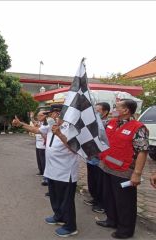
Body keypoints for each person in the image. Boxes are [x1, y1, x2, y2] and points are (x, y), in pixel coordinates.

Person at [13, 104, 80, 237]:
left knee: (66, 200)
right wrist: (21, 124)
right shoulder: (50, 126)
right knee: (55, 197)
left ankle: (70, 226)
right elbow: (36, 130)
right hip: (52, 170)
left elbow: (75, 149)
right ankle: (59, 216)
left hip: (65, 172)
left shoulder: (71, 128)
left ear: (62, 114)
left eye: (54, 113)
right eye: (50, 114)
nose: (51, 116)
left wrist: (59, 134)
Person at [96, 99, 149, 239]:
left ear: (126, 110)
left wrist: (137, 174)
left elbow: (143, 151)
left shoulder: (138, 127)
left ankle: (125, 230)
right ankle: (112, 220)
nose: (113, 109)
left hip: (124, 171)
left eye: (116, 107)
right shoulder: (111, 123)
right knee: (109, 197)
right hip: (107, 167)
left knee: (125, 202)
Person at [83, 102, 110, 214]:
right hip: (90, 157)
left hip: (100, 159)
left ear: (105, 112)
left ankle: (101, 204)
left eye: (98, 111)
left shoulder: (107, 124)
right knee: (92, 181)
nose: (95, 113)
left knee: (100, 183)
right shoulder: (92, 122)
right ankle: (94, 199)